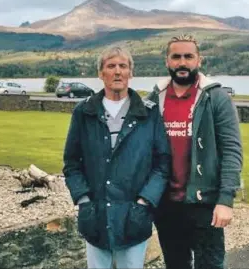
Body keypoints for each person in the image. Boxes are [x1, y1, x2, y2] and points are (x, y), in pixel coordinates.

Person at [63, 46, 171, 269]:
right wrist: (84, 202)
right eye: (111, 66)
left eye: (123, 66)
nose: (118, 71)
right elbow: (72, 164)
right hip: (96, 217)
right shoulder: (84, 113)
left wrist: (144, 202)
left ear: (131, 72)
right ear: (101, 73)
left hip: (134, 217)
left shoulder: (149, 113)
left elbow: (162, 164)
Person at [146, 34, 243, 269]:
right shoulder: (153, 99)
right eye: (176, 57)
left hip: (205, 204)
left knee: (210, 265)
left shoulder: (216, 97)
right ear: (167, 61)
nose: (182, 62)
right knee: (176, 264)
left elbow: (231, 150)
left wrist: (226, 200)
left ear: (199, 60)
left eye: (188, 56)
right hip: (166, 204)